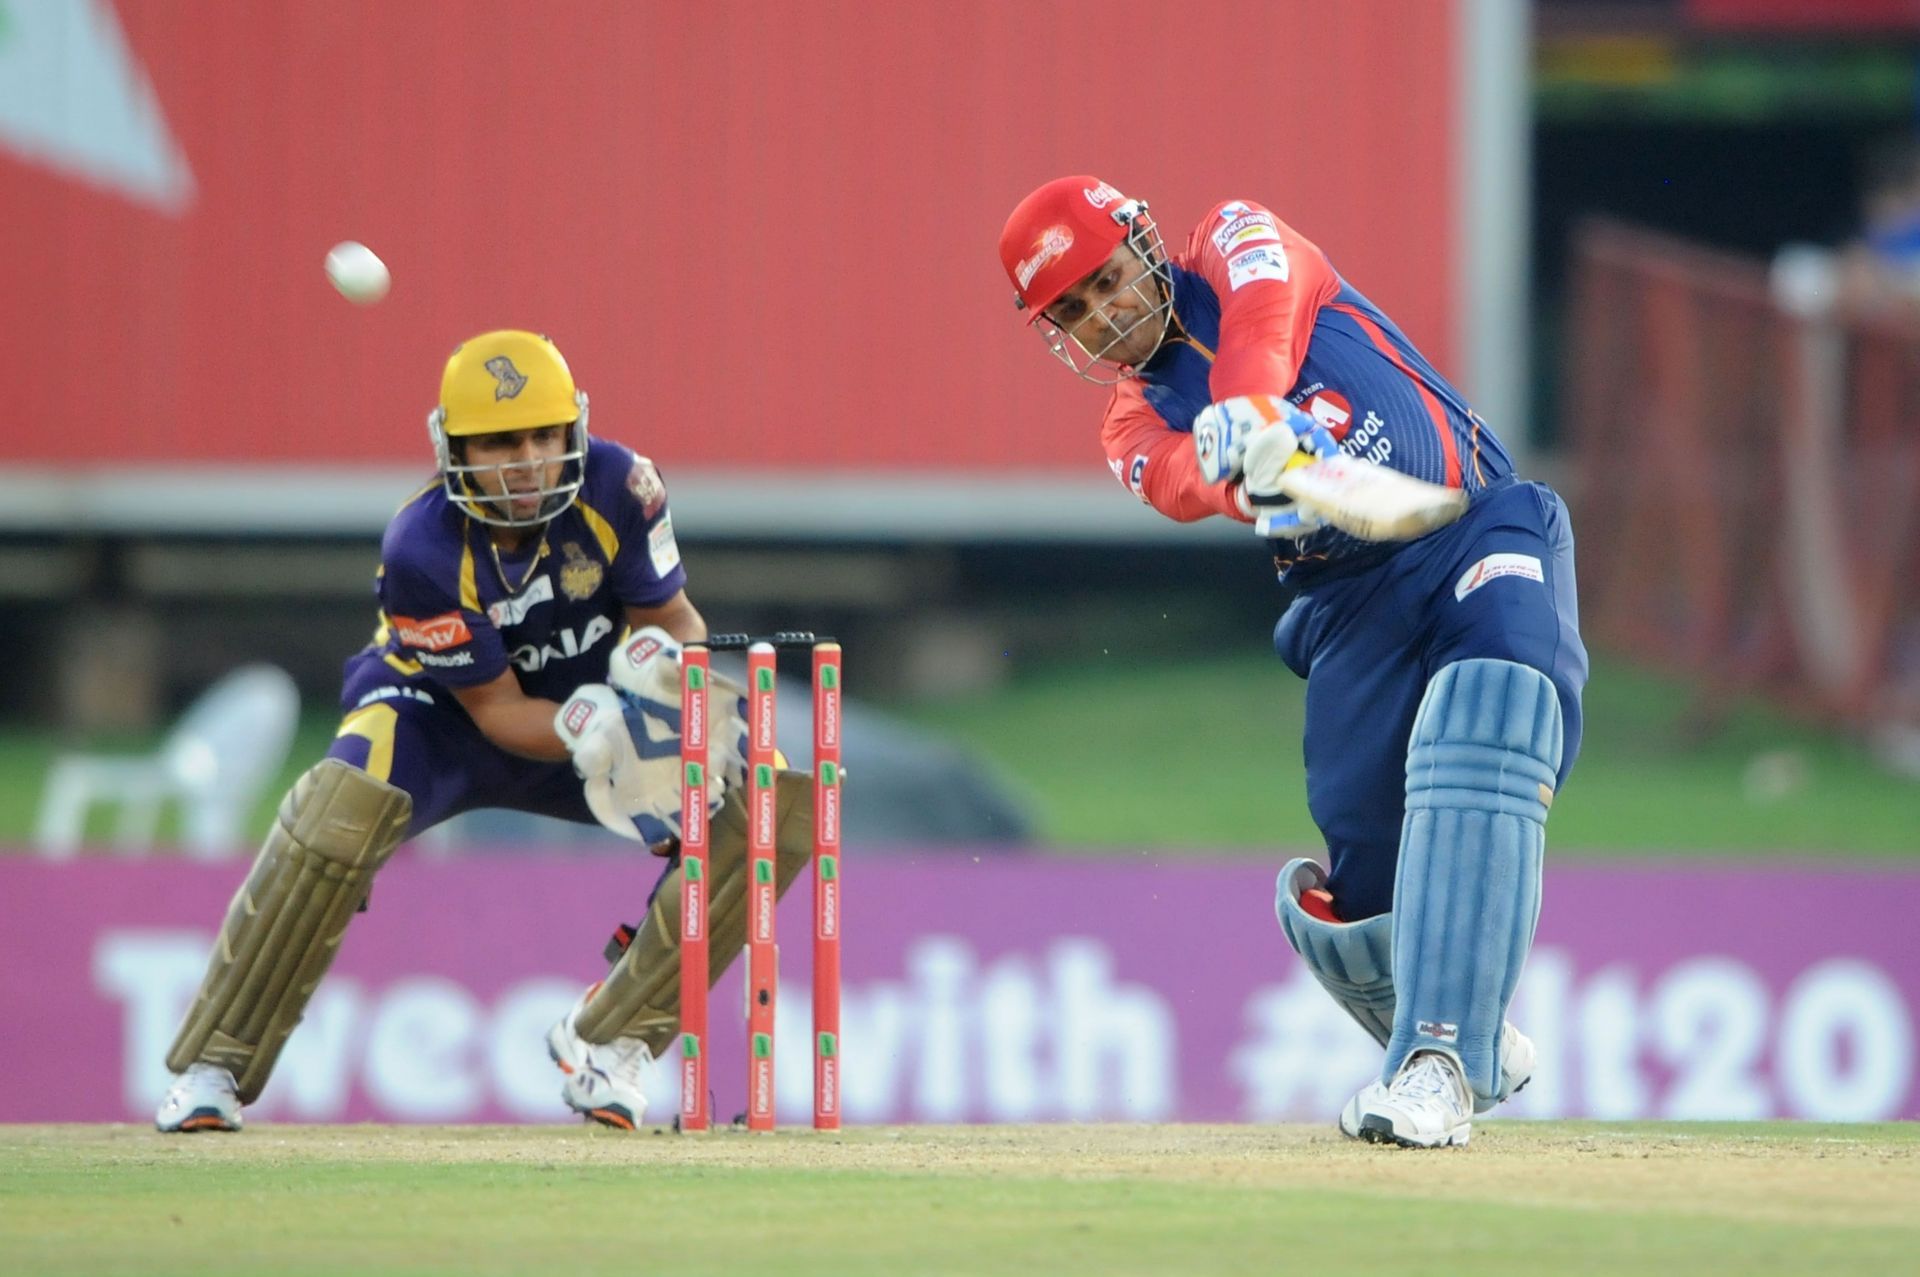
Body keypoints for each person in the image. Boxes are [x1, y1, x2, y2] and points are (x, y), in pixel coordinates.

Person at [998, 178, 1588, 1147]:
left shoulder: (1236, 236)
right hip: (1350, 604)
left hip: (1472, 519)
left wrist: (1250, 409)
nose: (1102, 315)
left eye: (1105, 281)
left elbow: (1269, 312)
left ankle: (1438, 1061)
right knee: (1352, 909)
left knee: (1490, 711)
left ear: (1143, 243)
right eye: (1071, 310)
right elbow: (1188, 482)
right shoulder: (1131, 429)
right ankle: (1468, 1018)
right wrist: (1238, 461)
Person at [154, 330, 812, 1134]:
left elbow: (671, 616)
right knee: (339, 806)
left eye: (544, 434)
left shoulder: (623, 484)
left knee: (768, 798)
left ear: (574, 427)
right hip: (442, 718)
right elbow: (497, 711)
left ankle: (610, 1043)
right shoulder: (421, 546)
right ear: (453, 446)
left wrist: (677, 687)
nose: (528, 460)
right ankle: (214, 1063)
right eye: (500, 441)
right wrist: (589, 724)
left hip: (601, 717)